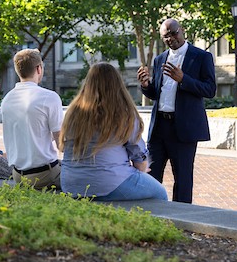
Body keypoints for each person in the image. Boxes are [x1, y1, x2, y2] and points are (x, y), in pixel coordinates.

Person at [59, 62, 168, 201]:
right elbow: (140, 161)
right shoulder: (124, 113)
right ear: (117, 85)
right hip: (110, 183)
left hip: (71, 184)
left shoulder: (73, 113)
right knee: (160, 193)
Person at [137, 18, 216, 203]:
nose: (171, 38)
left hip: (184, 128)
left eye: (174, 33)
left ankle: (182, 220)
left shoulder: (201, 57)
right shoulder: (159, 59)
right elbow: (156, 93)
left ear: (182, 30)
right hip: (159, 128)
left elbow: (210, 90)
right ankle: (151, 215)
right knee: (151, 174)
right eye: (166, 36)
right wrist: (146, 85)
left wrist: (183, 79)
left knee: (182, 179)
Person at [1, 49, 63, 189]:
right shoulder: (49, 97)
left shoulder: (7, 99)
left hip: (18, 175)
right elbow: (62, 145)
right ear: (38, 68)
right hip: (45, 175)